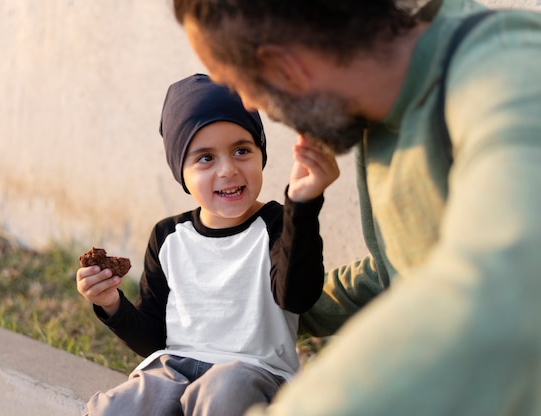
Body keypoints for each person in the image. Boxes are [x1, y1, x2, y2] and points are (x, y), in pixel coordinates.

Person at [172, 0, 541, 415]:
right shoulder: (377, 115)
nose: (250, 106)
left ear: (285, 67)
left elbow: (506, 278)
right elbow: (400, 267)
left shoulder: (508, 71)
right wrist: (265, 308)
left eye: (240, 84)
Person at [76, 73, 339, 415]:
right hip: (174, 370)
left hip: (253, 374)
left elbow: (297, 296)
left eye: (242, 150)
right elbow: (154, 339)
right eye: (205, 158)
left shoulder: (276, 224)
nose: (228, 169)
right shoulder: (168, 237)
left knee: (224, 390)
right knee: (117, 406)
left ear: (261, 153)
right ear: (180, 172)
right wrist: (111, 303)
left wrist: (302, 205)